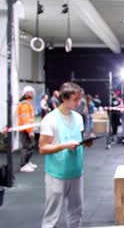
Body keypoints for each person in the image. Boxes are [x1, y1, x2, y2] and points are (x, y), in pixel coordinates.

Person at [39, 82, 94, 228]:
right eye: (75, 99)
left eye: (80, 99)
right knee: (52, 216)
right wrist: (64, 146)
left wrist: (85, 143)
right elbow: (43, 148)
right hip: (57, 174)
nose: (79, 102)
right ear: (64, 98)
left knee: (76, 212)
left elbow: (77, 140)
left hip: (76, 172)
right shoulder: (50, 119)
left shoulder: (78, 118)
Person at [17, 86, 37, 173]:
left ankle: (27, 162)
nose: (32, 94)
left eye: (32, 92)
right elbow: (25, 119)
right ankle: (23, 165)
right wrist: (29, 131)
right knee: (26, 147)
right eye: (30, 92)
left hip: (28, 129)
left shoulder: (27, 103)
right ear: (26, 93)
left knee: (30, 146)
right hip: (25, 130)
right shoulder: (24, 104)